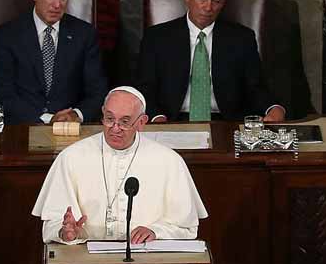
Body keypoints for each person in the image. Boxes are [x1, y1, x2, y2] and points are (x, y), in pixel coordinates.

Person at [32, 86, 208, 243]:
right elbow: (53, 222)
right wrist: (66, 233)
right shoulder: (71, 157)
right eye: (109, 119)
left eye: (124, 122)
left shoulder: (169, 161)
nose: (115, 128)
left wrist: (156, 231)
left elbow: (187, 227)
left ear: (141, 122)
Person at [137, 0, 286, 123]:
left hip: (227, 122)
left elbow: (255, 87)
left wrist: (273, 108)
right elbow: (145, 88)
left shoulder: (242, 38)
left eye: (216, 1)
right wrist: (157, 118)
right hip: (172, 120)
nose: (208, 8)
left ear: (223, 2)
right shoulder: (157, 37)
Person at [0, 0, 107, 124]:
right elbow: (3, 93)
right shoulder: (7, 35)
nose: (57, 5)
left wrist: (76, 115)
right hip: (23, 127)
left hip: (72, 129)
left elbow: (97, 92)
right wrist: (48, 119)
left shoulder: (85, 34)